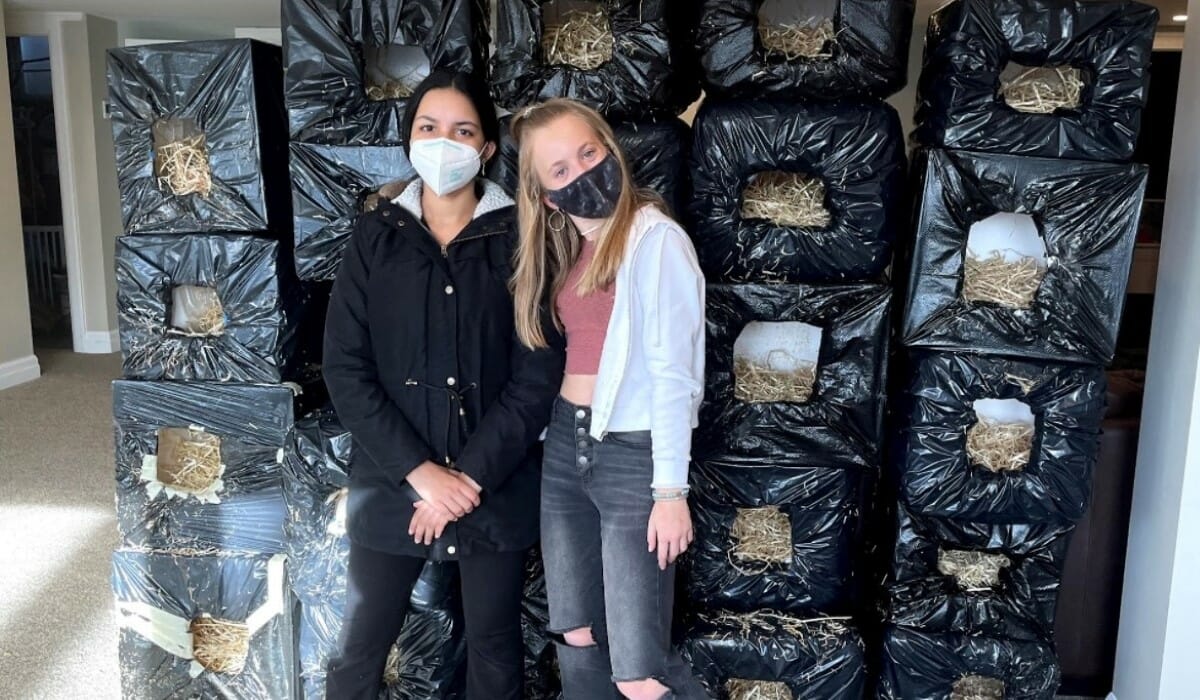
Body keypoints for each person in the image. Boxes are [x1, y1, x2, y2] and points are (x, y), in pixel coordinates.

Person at [322, 70, 564, 700]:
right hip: (391, 482)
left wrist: (468, 480)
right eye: (428, 128)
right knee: (359, 648)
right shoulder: (376, 233)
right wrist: (420, 474)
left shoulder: (522, 235)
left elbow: (536, 373)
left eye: (462, 130)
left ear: (485, 149)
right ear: (409, 140)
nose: (443, 143)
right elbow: (346, 368)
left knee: (494, 649)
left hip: (495, 485)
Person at [510, 98, 708, 700]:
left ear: (610, 149)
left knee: (639, 670)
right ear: (547, 197)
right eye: (561, 170)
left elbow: (677, 374)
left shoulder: (657, 241)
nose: (582, 173)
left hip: (632, 453)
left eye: (588, 153)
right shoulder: (567, 253)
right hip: (567, 445)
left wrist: (670, 491)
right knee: (574, 632)